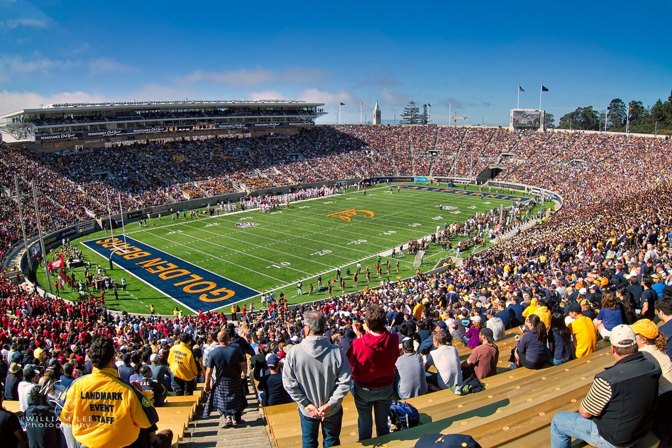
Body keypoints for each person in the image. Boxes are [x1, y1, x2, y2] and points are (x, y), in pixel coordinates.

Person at [550, 325, 661, 448]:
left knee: (558, 420)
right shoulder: (652, 364)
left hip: (616, 440)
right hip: (641, 430)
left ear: (612, 349)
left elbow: (585, 412)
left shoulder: (607, 379)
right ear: (635, 345)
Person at [59, 336, 168, 448]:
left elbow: (65, 418)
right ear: (112, 361)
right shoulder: (128, 390)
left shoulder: (76, 386)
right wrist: (140, 394)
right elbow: (147, 421)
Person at [282, 311, 352, 448]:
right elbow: (345, 382)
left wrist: (307, 404)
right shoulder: (337, 352)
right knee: (331, 441)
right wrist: (329, 404)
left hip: (309, 410)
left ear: (307, 328)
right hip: (331, 409)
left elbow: (289, 384)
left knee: (309, 443)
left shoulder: (294, 353)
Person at [347, 304, 399, 441]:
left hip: (364, 389)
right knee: (382, 424)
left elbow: (351, 363)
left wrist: (359, 337)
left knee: (365, 424)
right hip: (386, 387)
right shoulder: (393, 339)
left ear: (367, 324)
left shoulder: (357, 344)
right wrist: (361, 336)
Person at [631, 319, 672, 446]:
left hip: (663, 401)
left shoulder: (644, 355)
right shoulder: (658, 348)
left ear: (643, 340)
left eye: (634, 335)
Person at [203, 330, 248, 427]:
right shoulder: (236, 350)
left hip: (221, 381)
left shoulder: (213, 353)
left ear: (218, 339)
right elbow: (243, 364)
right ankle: (235, 418)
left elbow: (208, 371)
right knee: (236, 399)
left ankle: (227, 417)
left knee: (223, 401)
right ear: (228, 339)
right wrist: (244, 373)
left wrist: (206, 384)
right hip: (235, 378)